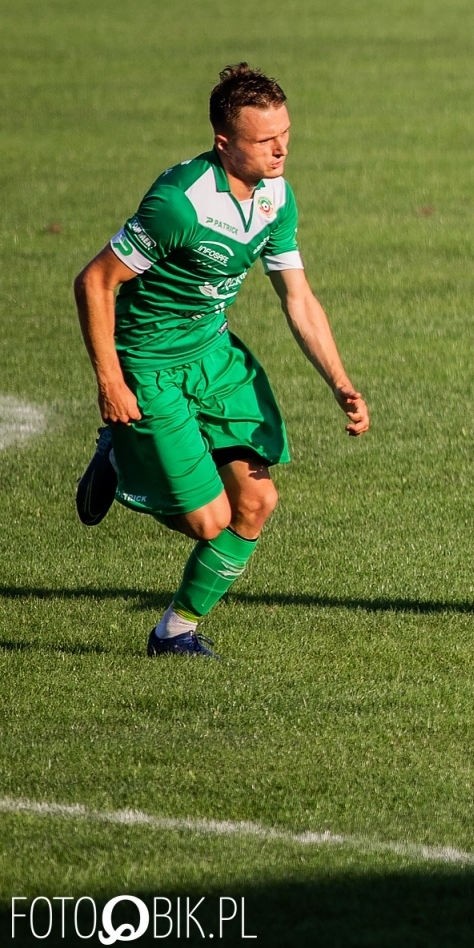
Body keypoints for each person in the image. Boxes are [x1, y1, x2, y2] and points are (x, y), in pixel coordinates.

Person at [73, 63, 369, 658]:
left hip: (215, 357)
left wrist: (339, 381)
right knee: (209, 522)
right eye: (265, 139)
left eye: (286, 133)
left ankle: (174, 632)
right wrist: (110, 382)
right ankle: (120, 450)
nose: (281, 148)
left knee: (257, 503)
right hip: (150, 365)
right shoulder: (179, 205)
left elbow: (298, 297)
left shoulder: (276, 195)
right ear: (225, 142)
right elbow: (94, 282)